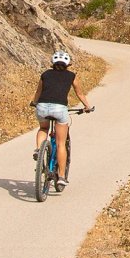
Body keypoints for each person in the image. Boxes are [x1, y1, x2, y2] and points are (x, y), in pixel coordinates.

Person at [33, 48, 93, 191]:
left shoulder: (45, 74)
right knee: (61, 144)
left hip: (42, 107)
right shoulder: (72, 76)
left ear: (52, 63)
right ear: (68, 65)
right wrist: (87, 106)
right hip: (59, 109)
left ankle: (38, 149)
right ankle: (61, 177)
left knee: (43, 128)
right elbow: (80, 93)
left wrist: (35, 103)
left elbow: (38, 92)